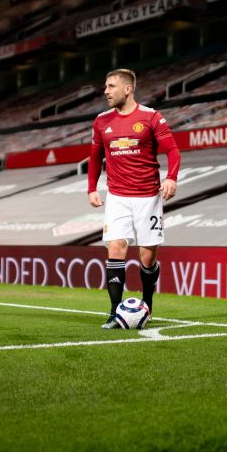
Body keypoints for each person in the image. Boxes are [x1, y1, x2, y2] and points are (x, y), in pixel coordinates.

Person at [87, 68, 180, 328]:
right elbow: (95, 158)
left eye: (111, 86)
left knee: (147, 258)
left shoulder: (151, 117)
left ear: (128, 89)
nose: (106, 91)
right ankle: (115, 312)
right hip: (117, 196)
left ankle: (147, 304)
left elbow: (172, 150)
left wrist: (171, 177)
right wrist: (92, 188)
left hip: (148, 196)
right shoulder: (101, 121)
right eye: (105, 86)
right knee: (116, 247)